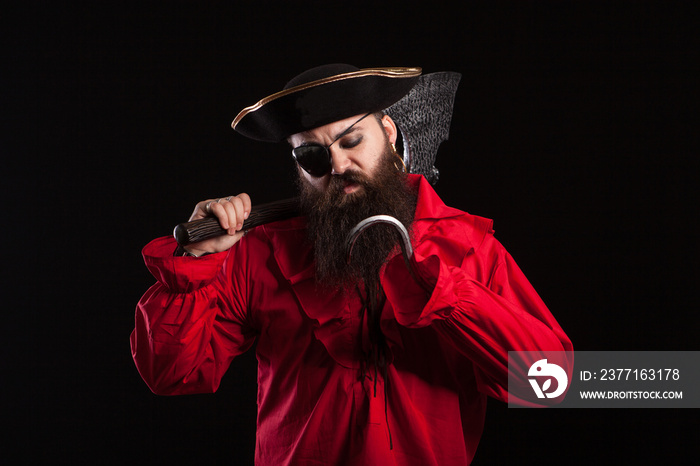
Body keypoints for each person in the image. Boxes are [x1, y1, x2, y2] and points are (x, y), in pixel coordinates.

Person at [131, 64, 573, 465]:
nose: (339, 164)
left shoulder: (467, 246)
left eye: (352, 140)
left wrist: (449, 297)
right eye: (313, 156)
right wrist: (197, 261)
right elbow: (172, 374)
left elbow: (550, 383)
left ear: (388, 130)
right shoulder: (259, 252)